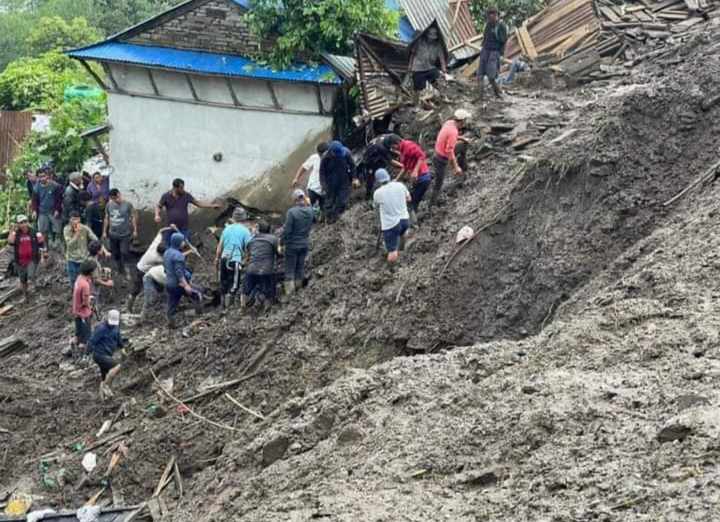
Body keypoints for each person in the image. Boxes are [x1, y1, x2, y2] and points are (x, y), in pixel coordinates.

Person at [155, 178, 221, 244]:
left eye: (183, 187)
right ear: (175, 188)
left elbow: (198, 203)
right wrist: (157, 215)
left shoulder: (186, 195)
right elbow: (158, 206)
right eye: (181, 188)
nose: (183, 189)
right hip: (170, 227)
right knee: (168, 245)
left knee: (184, 245)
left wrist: (212, 205)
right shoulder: (166, 196)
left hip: (183, 228)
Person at [431, 109, 471, 208]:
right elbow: (449, 151)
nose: (466, 122)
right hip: (440, 158)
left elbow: (450, 136)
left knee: (463, 145)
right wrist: (455, 167)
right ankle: (432, 205)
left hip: (440, 151)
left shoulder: (449, 123)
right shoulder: (453, 132)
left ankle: (463, 166)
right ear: (462, 121)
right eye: (465, 120)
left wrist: (462, 138)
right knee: (439, 182)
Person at [129, 227, 174, 314]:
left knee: (159, 285)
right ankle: (130, 307)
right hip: (141, 270)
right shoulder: (156, 258)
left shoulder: (155, 244)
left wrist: (169, 228)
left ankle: (159, 301)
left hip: (148, 270)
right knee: (136, 290)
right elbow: (171, 259)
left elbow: (160, 231)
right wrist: (188, 251)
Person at [215, 207, 253, 308]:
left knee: (224, 282)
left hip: (224, 259)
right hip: (235, 260)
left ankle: (222, 305)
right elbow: (250, 248)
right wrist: (246, 260)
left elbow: (219, 247)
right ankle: (228, 308)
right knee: (234, 285)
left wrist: (217, 259)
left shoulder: (226, 229)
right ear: (244, 219)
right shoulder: (245, 231)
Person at [373, 169, 411, 264]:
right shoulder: (400, 185)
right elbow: (409, 198)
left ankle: (391, 268)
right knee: (403, 234)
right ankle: (402, 251)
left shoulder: (378, 193)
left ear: (378, 181)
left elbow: (376, 206)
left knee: (392, 252)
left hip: (390, 225)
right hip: (405, 220)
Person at [163, 232, 201, 328]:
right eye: (183, 241)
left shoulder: (167, 252)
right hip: (178, 284)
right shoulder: (178, 256)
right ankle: (199, 317)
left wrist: (189, 252)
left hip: (168, 283)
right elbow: (179, 273)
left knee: (172, 303)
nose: (184, 243)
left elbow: (166, 269)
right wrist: (186, 285)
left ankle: (171, 323)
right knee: (197, 295)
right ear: (178, 242)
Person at [281, 189, 315, 297]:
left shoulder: (291, 212)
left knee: (289, 269)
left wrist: (281, 243)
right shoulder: (310, 210)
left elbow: (287, 231)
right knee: (300, 268)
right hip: (304, 243)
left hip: (292, 245)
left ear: (295, 200)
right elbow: (315, 219)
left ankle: (290, 295)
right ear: (304, 198)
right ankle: (299, 291)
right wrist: (309, 204)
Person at [387, 136, 432, 215]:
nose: (393, 149)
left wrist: (415, 170)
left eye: (392, 147)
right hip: (416, 179)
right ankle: (413, 216)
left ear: (396, 143)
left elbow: (421, 156)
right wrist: (396, 180)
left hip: (423, 177)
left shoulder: (408, 145)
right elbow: (405, 167)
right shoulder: (402, 151)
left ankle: (413, 222)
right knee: (411, 199)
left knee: (412, 201)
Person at [88, 309, 125, 399]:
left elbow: (118, 338)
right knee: (116, 366)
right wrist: (87, 354)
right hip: (99, 355)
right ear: (107, 318)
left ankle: (103, 398)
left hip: (107, 355)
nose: (112, 324)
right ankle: (105, 386)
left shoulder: (116, 327)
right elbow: (91, 341)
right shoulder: (101, 328)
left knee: (105, 376)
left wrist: (122, 348)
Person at [243, 220, 280, 308]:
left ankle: (243, 306)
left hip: (251, 270)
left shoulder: (251, 240)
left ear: (258, 229)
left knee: (246, 290)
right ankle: (268, 304)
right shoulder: (274, 239)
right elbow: (279, 253)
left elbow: (247, 256)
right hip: (266, 270)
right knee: (269, 290)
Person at [8, 215, 45, 301]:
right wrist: (12, 230)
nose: (24, 224)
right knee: (23, 279)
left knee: (31, 276)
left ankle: (35, 295)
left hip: (32, 259)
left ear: (28, 222)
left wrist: (43, 256)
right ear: (18, 224)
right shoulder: (16, 233)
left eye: (25, 222)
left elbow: (42, 243)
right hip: (20, 261)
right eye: (21, 223)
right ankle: (25, 296)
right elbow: (10, 242)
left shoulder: (35, 231)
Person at [319, 141, 357, 223]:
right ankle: (329, 219)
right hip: (330, 182)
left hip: (344, 179)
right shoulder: (325, 158)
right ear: (332, 152)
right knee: (329, 202)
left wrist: (354, 178)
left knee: (342, 200)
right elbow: (322, 174)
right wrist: (324, 186)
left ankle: (339, 215)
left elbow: (352, 165)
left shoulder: (346, 153)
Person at [104, 189, 138, 278]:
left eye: (116, 198)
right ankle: (119, 269)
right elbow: (106, 217)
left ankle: (127, 270)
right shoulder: (109, 205)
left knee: (124, 252)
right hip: (113, 234)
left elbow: (133, 217)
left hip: (125, 234)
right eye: (113, 199)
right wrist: (104, 231)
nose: (115, 200)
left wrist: (135, 230)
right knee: (115, 253)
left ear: (119, 194)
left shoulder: (127, 205)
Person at [64, 211, 103, 289]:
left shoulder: (84, 228)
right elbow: (69, 245)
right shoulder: (66, 229)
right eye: (73, 219)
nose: (76, 221)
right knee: (73, 280)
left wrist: (102, 249)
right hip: (71, 259)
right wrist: (77, 234)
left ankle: (85, 295)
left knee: (85, 280)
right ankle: (74, 294)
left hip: (83, 259)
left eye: (77, 219)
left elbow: (95, 238)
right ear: (70, 220)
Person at [478, 8, 508, 102]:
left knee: (491, 76)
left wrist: (501, 54)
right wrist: (482, 49)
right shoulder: (487, 25)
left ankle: (498, 93)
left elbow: (504, 41)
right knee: (480, 75)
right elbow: (485, 38)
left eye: (493, 14)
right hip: (485, 50)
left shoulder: (501, 26)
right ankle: (480, 96)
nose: (491, 16)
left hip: (494, 52)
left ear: (497, 15)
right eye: (489, 14)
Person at [30, 170, 63, 250]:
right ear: (38, 177)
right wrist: (34, 211)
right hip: (42, 212)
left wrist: (57, 210)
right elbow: (34, 200)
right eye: (40, 177)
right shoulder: (36, 187)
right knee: (43, 231)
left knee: (58, 229)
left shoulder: (55, 185)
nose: (42, 178)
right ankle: (46, 247)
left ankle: (57, 245)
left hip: (53, 211)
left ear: (47, 176)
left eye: (44, 176)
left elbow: (59, 199)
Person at [409, 25, 448, 92]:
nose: (431, 39)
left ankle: (440, 94)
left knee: (437, 77)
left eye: (433, 38)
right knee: (418, 89)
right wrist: (410, 66)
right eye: (430, 37)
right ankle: (416, 101)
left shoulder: (437, 45)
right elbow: (413, 54)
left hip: (429, 67)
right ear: (427, 35)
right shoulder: (419, 42)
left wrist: (444, 68)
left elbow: (441, 58)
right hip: (418, 68)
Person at [361, 134, 398, 201]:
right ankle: (368, 195)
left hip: (377, 155)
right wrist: (404, 166)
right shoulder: (381, 148)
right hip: (370, 160)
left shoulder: (386, 137)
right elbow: (391, 161)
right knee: (370, 177)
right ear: (390, 143)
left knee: (383, 166)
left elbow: (392, 150)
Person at [293, 142, 328, 213]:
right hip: (312, 188)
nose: (321, 156)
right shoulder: (314, 158)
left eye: (322, 154)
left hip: (325, 190)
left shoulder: (332, 159)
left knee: (324, 209)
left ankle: (322, 220)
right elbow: (304, 167)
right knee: (306, 207)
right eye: (319, 154)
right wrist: (296, 178)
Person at [72, 260, 96, 353]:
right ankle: (84, 354)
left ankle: (74, 348)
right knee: (86, 337)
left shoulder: (79, 279)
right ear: (91, 272)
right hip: (84, 314)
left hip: (76, 311)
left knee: (78, 333)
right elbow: (85, 303)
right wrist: (90, 302)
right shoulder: (85, 285)